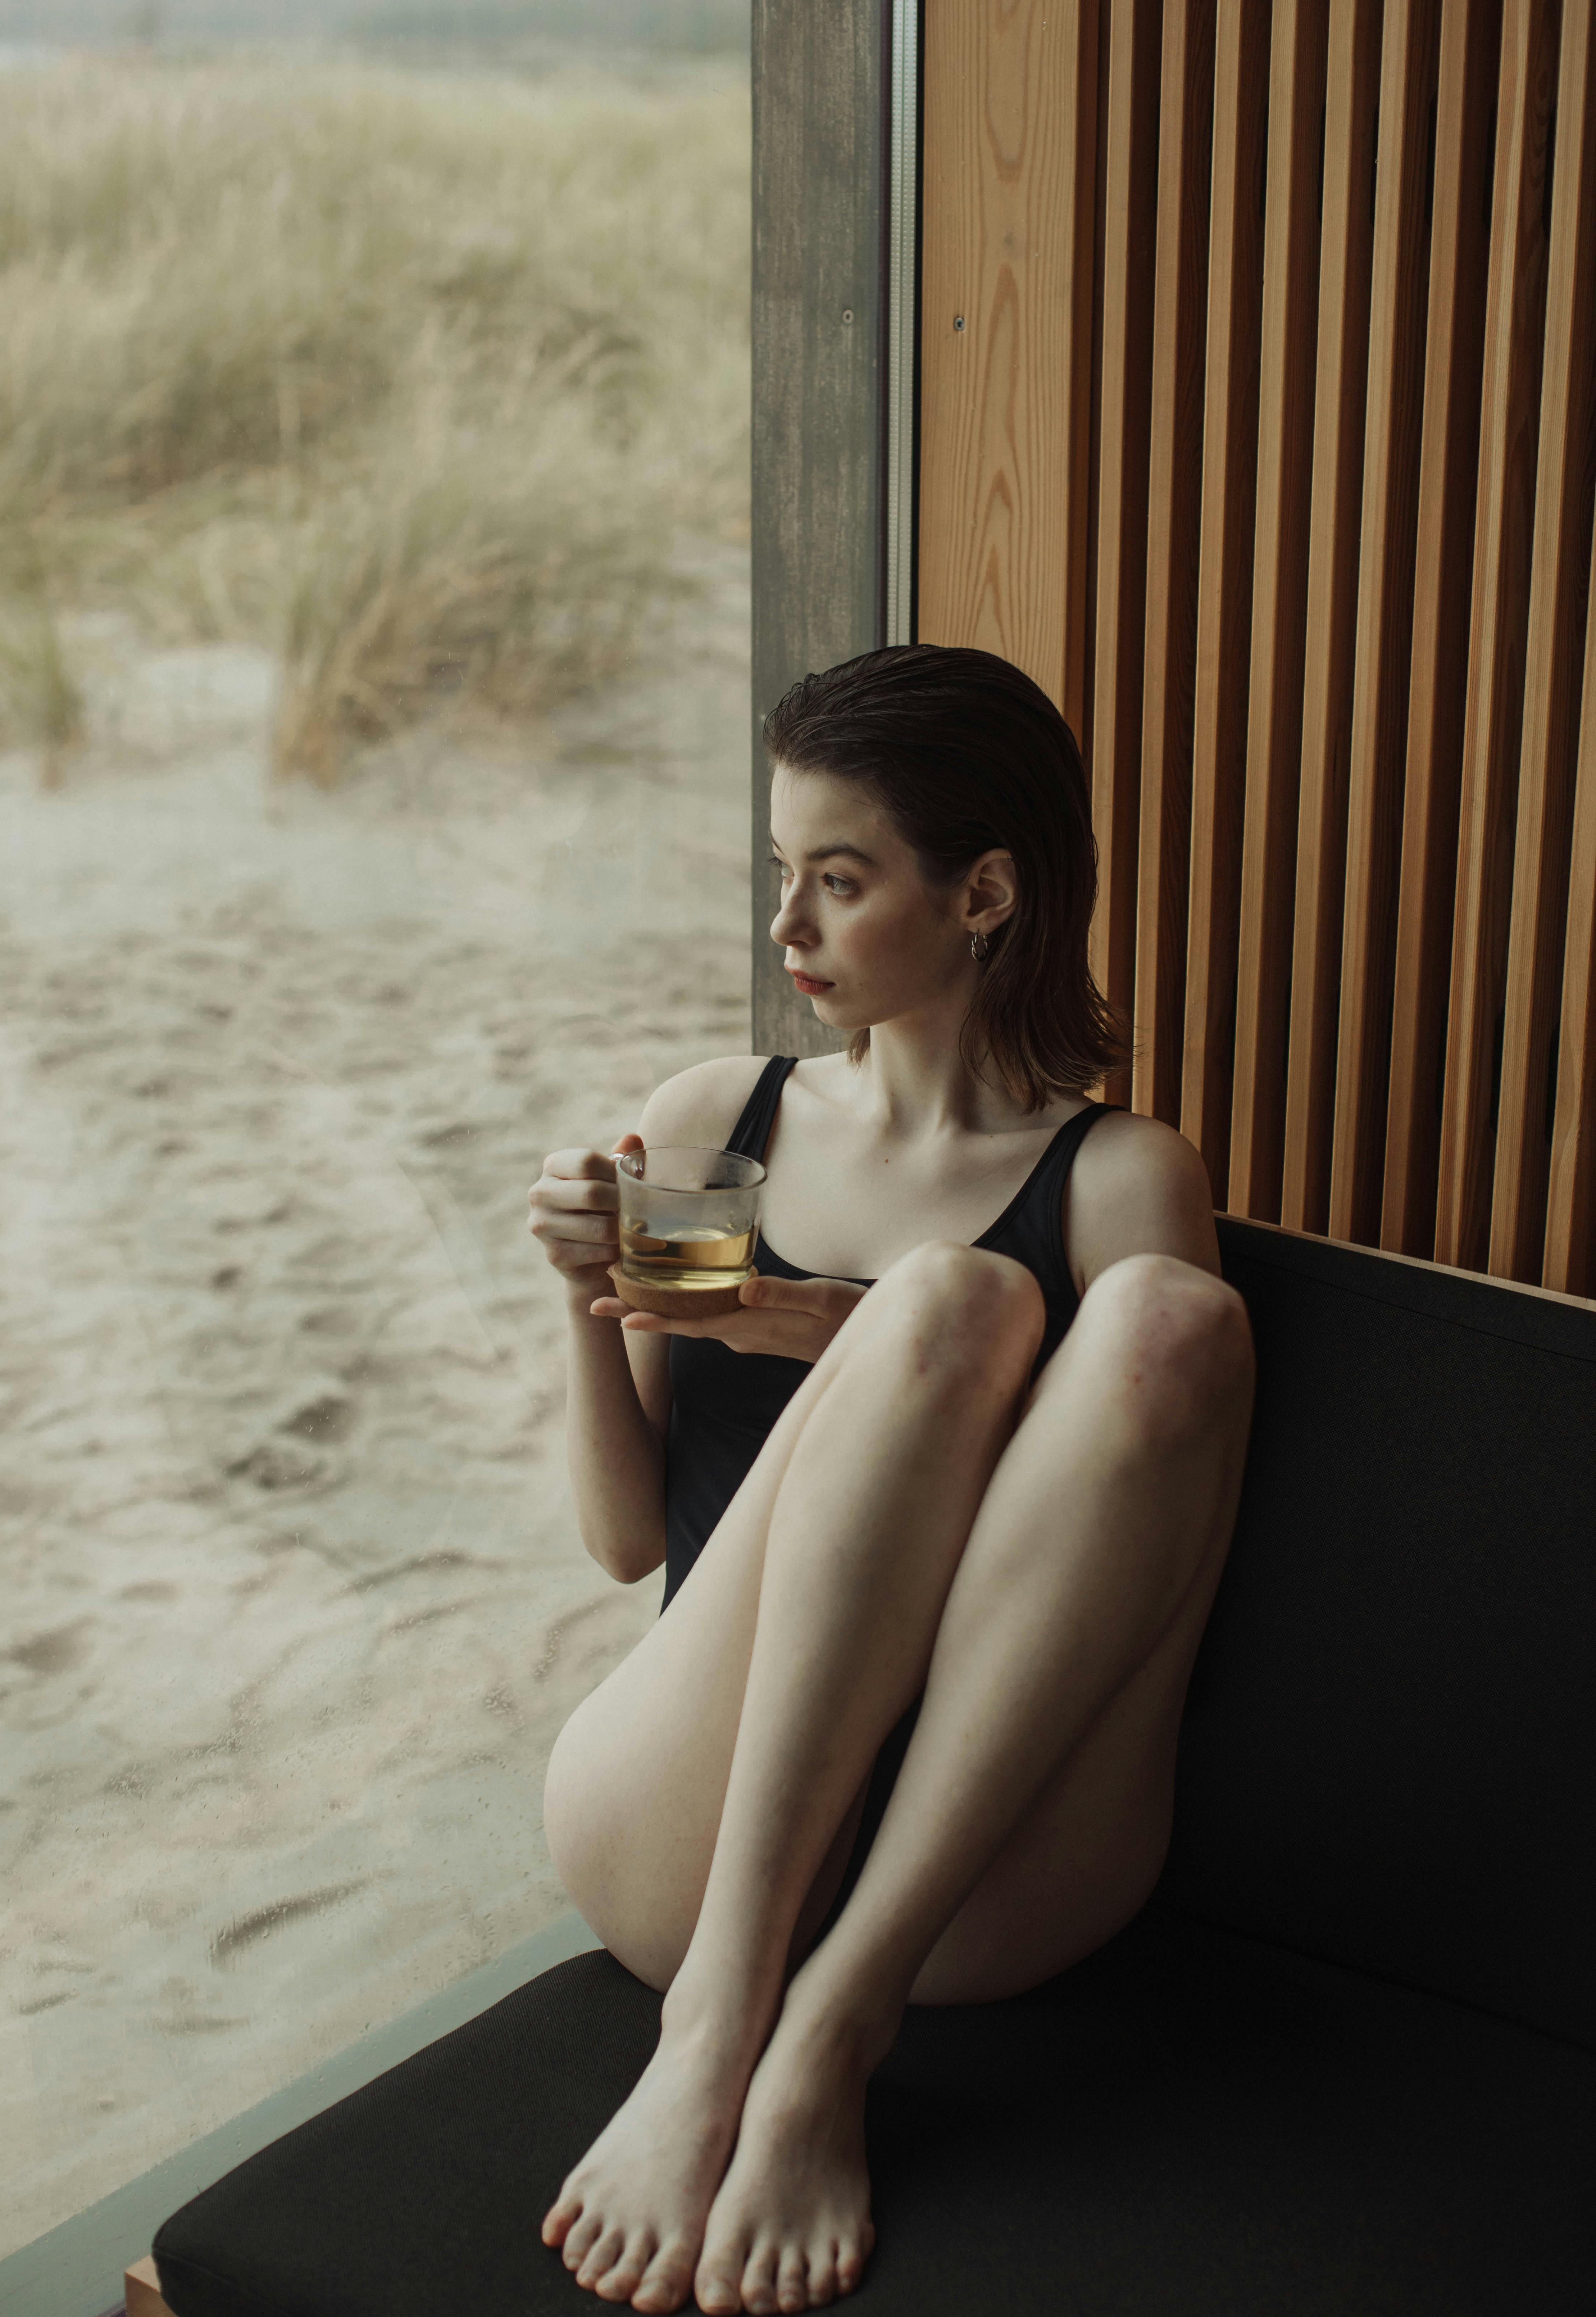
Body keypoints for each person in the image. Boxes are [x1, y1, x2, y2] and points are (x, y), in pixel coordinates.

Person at [526, 644, 1255, 2316]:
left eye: (837, 884)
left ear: (984, 891)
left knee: (1117, 1314)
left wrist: (844, 1334)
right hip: (688, 1847)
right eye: (782, 875)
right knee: (955, 1299)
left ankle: (825, 2031)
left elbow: (1131, 1534)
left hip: (978, 1886)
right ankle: (718, 2021)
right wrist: (582, 1303)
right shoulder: (722, 1120)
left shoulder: (1117, 1176)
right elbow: (628, 1536)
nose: (786, 932)